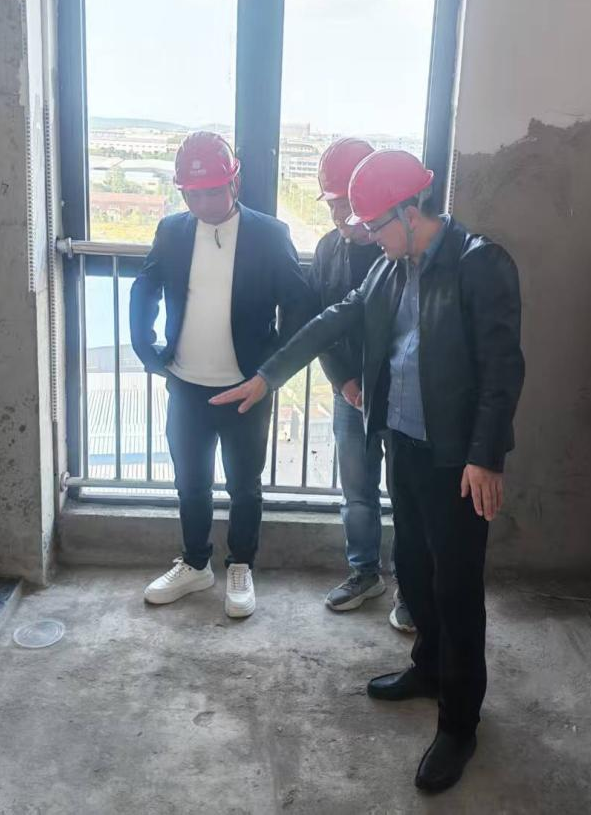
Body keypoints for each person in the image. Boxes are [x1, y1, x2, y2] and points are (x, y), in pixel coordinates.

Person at [212, 150, 524, 793]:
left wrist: (485, 455)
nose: (367, 236)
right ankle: (428, 668)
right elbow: (334, 320)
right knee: (413, 567)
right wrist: (268, 376)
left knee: (456, 588)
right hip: (404, 444)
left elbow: (502, 368)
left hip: (457, 460)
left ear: (410, 212)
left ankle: (459, 722)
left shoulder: (479, 264)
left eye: (376, 224)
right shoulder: (391, 267)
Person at [130, 131, 314, 619]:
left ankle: (241, 566)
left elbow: (299, 306)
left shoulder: (269, 234)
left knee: (243, 485)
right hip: (186, 384)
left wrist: (270, 374)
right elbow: (146, 285)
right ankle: (195, 564)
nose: (204, 204)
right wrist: (147, 349)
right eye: (193, 194)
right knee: (190, 482)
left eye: (213, 191)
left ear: (234, 184)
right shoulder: (172, 231)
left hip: (246, 388)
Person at [309, 137, 411, 629]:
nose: (339, 216)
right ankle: (364, 573)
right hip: (349, 395)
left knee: (408, 497)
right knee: (356, 493)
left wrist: (384, 384)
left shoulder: (402, 252)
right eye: (332, 205)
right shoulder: (327, 250)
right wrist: (345, 381)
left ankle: (410, 588)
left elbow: (413, 332)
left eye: (345, 205)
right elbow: (321, 323)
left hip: (401, 397)